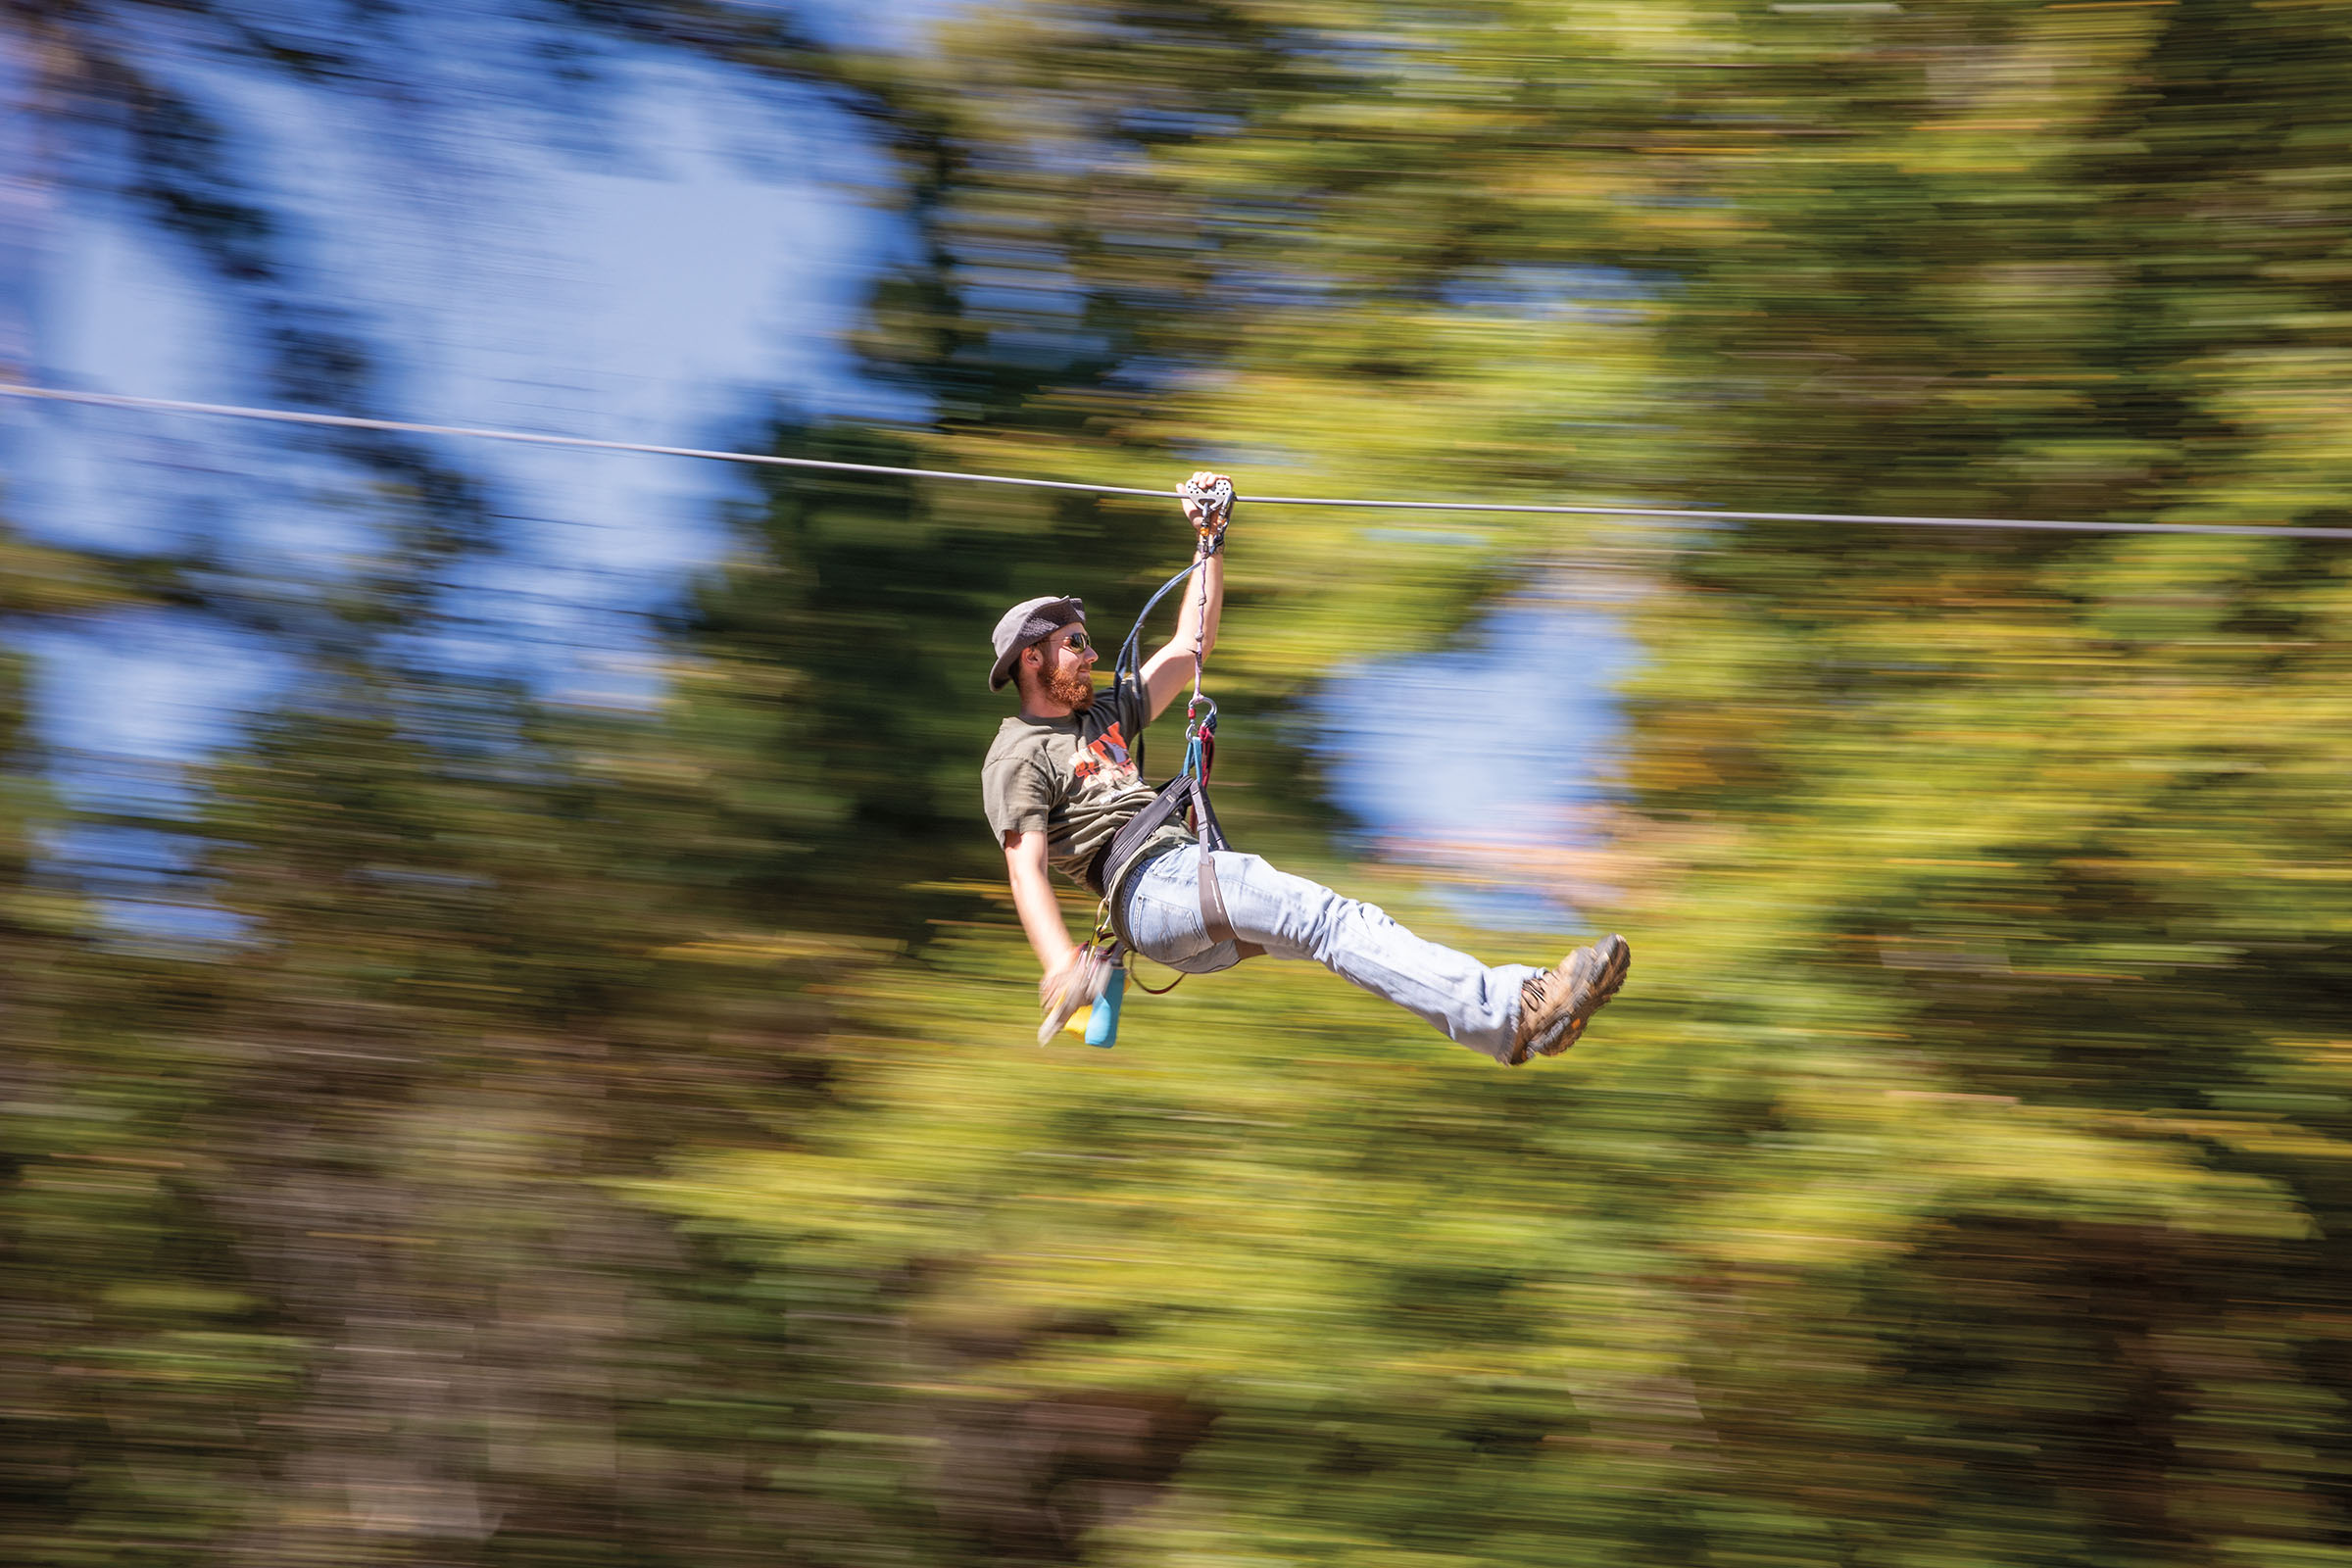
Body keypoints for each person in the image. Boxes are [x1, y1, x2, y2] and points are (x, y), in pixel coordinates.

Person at [979, 471, 1630, 1064]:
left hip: (1182, 901)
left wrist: (1209, 538)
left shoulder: (1104, 715)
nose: (1092, 655)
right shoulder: (1018, 752)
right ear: (1032, 661)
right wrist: (1060, 960)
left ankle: (1508, 1013)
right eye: (1075, 644)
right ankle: (1508, 1009)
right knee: (1333, 921)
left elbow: (1190, 646)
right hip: (1154, 890)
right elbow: (1023, 865)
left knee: (1338, 932)